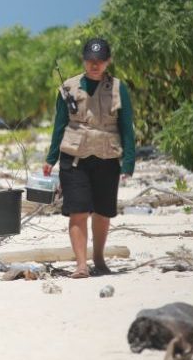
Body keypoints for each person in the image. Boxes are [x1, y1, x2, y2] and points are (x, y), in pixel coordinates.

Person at [43, 38, 135, 278]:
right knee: (78, 211)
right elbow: (59, 125)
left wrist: (128, 162)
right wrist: (51, 159)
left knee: (103, 213)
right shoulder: (68, 88)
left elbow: (127, 127)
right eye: (91, 61)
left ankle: (99, 259)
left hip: (107, 157)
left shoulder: (118, 88)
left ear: (108, 61)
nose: (95, 65)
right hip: (74, 158)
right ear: (84, 61)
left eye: (100, 61)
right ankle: (81, 265)